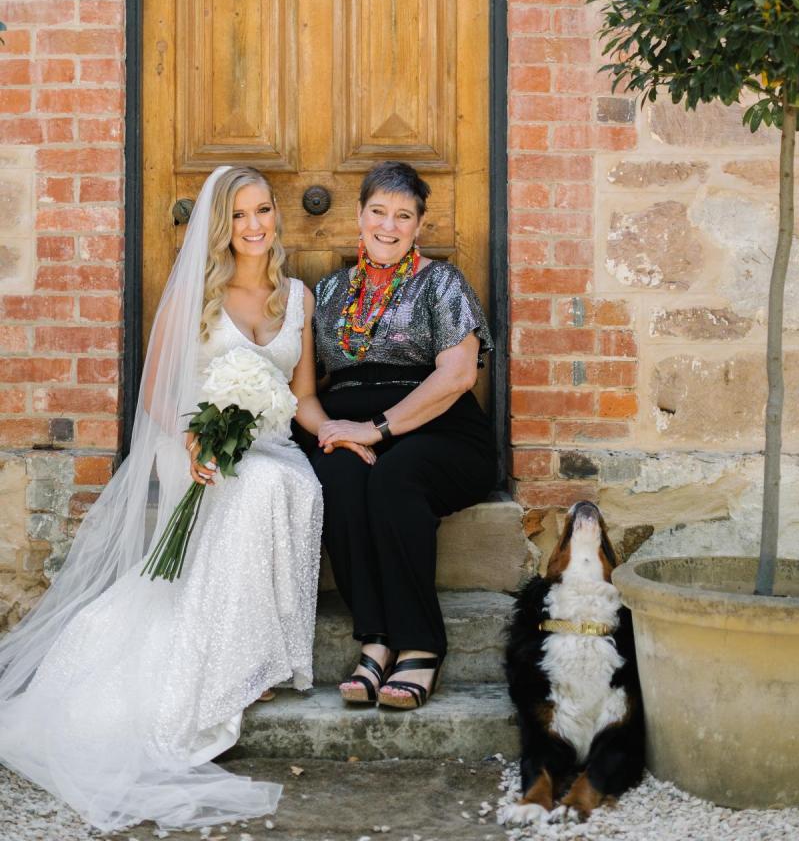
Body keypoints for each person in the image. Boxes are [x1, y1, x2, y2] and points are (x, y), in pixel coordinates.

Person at [0, 165, 330, 832]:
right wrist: (194, 443)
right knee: (258, 486)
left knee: (296, 483)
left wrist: (340, 431)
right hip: (201, 452)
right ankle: (236, 661)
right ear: (221, 228)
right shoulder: (197, 297)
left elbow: (304, 398)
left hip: (274, 446)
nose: (254, 227)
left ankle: (264, 649)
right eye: (239, 217)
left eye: (263, 211)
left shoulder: (298, 297)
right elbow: (156, 391)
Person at [299, 160, 496, 710]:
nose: (389, 225)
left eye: (403, 215)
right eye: (379, 212)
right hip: (349, 419)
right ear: (359, 216)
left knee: (394, 477)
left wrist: (378, 428)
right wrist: (340, 431)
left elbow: (457, 374)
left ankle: (420, 644)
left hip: (438, 428)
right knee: (337, 473)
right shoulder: (332, 288)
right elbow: (305, 383)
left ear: (418, 225)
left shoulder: (441, 282)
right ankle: (376, 639)